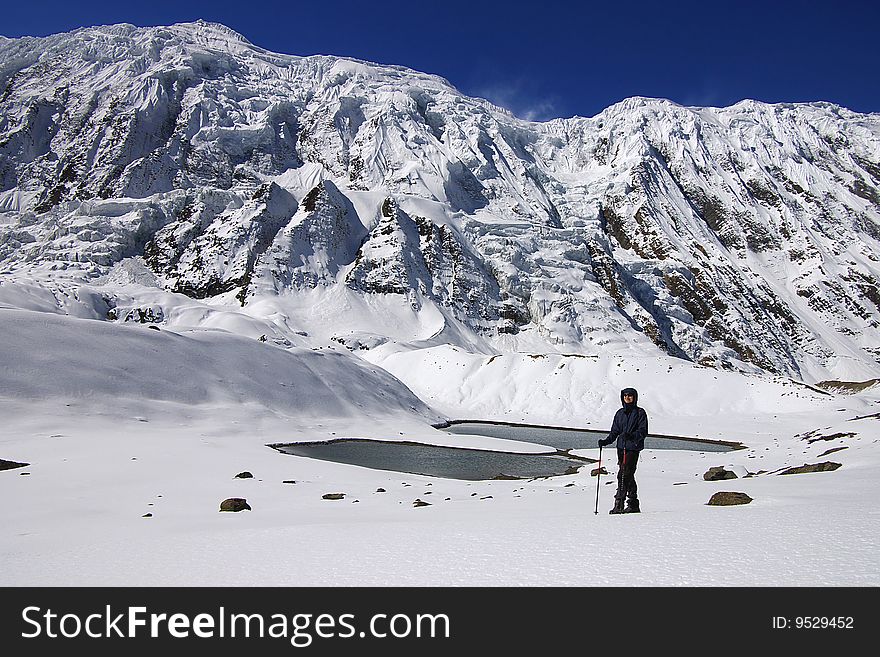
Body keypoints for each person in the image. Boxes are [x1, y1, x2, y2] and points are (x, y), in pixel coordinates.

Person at [598, 387, 648, 514]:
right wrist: (606, 441)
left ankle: (619, 504)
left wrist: (631, 436)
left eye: (630, 395)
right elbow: (615, 431)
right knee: (628, 475)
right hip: (621, 448)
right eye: (625, 395)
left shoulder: (640, 413)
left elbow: (643, 431)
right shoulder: (620, 413)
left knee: (623, 474)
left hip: (633, 448)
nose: (627, 397)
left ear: (634, 397)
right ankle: (633, 504)